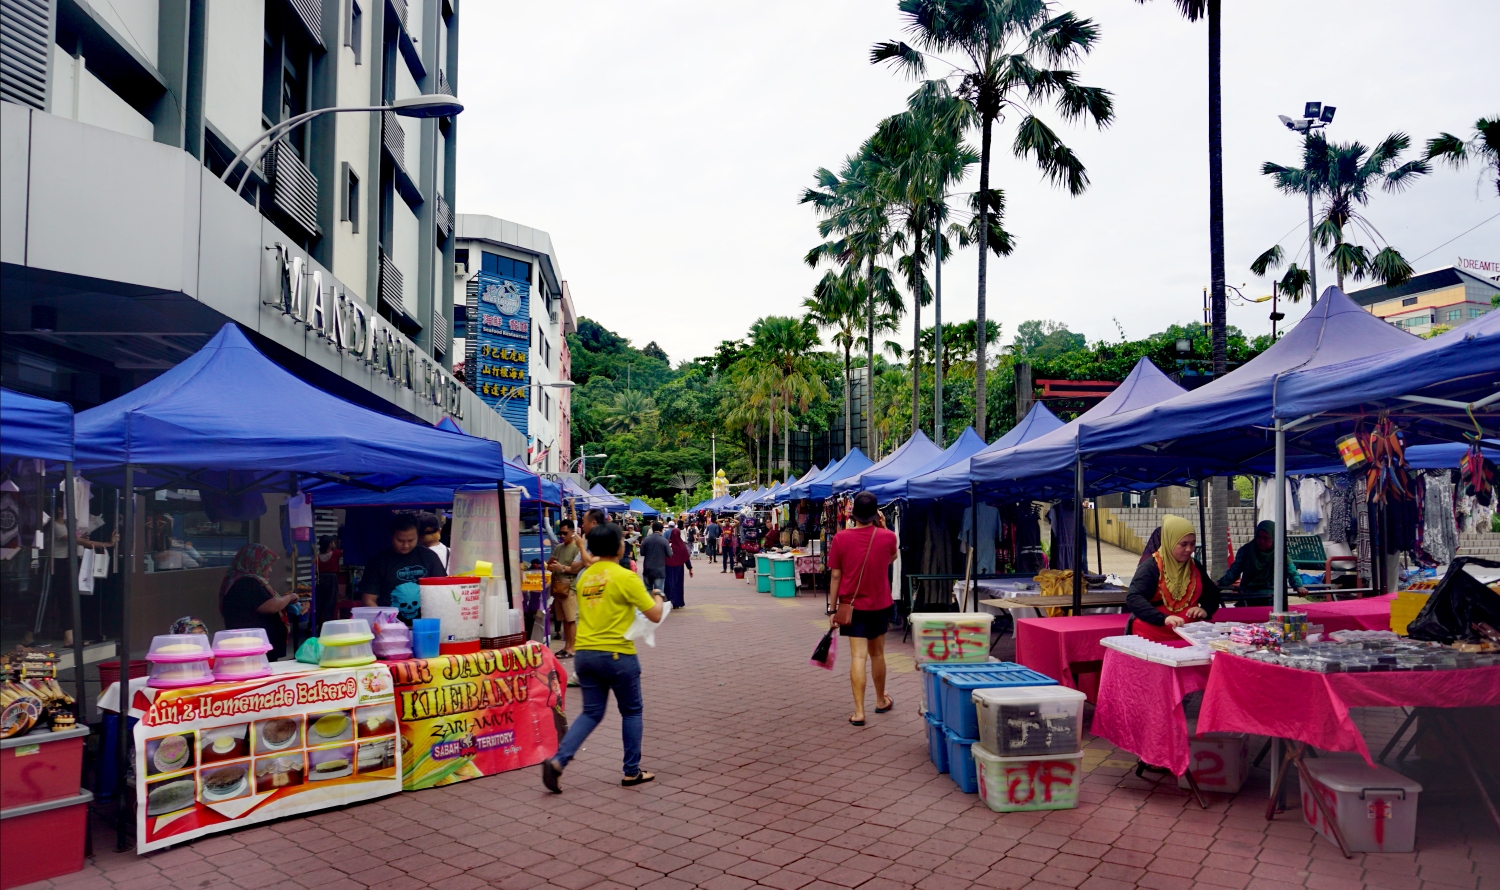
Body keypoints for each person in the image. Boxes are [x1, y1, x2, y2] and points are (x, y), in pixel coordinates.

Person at [541, 521, 664, 792]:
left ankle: (559, 762)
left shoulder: (585, 577)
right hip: (617, 654)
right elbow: (654, 615)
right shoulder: (624, 576)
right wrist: (657, 595)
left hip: (585, 655)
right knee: (631, 711)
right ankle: (632, 771)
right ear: (618, 546)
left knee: (591, 712)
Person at [826, 492, 899, 726]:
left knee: (858, 656)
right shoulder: (888, 537)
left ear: (852, 513)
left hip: (852, 605)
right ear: (876, 513)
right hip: (879, 604)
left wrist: (832, 609)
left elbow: (836, 576)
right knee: (877, 654)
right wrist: (885, 526)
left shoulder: (841, 538)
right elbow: (891, 559)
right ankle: (880, 700)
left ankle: (858, 712)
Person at [1126, 515, 1222, 643]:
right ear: (1169, 542)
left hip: (1190, 636)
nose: (1189, 549)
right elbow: (1134, 597)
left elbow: (1212, 594)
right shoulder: (1151, 567)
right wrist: (1163, 618)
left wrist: (1204, 609)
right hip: (1152, 638)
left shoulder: (1194, 566)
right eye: (1183, 544)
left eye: (1192, 544)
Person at [358, 513, 446, 623]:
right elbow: (369, 599)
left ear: (418, 536)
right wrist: (383, 624)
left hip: (424, 626)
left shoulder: (429, 557)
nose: (406, 545)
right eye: (400, 541)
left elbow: (442, 592)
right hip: (390, 627)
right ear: (391, 536)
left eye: (410, 540)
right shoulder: (378, 561)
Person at [220, 543, 297, 657]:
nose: (270, 570)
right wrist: (290, 597)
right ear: (256, 564)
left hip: (258, 645)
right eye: (267, 566)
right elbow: (270, 607)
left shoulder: (247, 580)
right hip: (253, 647)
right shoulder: (246, 582)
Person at [1218, 520, 1306, 605]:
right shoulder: (1246, 551)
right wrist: (1219, 583)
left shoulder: (1279, 554)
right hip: (1248, 595)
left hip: (1271, 597)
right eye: (1259, 537)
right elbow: (1234, 572)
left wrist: (1298, 586)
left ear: (1274, 538)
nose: (1261, 541)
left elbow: (1292, 572)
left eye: (1266, 538)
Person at [546, 519, 582, 659]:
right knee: (564, 620)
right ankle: (567, 646)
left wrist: (560, 567)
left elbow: (577, 568)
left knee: (571, 619)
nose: (562, 535)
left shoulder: (577, 549)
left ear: (572, 532)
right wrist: (550, 565)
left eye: (565, 533)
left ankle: (572, 647)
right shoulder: (559, 548)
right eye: (560, 533)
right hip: (558, 587)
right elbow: (550, 565)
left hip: (570, 588)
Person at [663, 525, 693, 609]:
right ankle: (677, 602)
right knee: (678, 584)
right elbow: (686, 558)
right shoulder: (682, 545)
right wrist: (690, 568)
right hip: (679, 568)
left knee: (668, 583)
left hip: (667, 566)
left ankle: (668, 600)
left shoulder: (668, 544)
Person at [315, 535, 342, 625]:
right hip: (331, 579)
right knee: (330, 603)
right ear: (330, 544)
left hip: (320, 579)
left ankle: (316, 625)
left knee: (319, 603)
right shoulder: (335, 554)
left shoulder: (317, 557)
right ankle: (327, 624)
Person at [639, 522, 669, 594]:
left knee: (648, 589)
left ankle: (649, 605)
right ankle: (657, 605)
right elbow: (669, 554)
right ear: (662, 530)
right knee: (658, 591)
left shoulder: (646, 540)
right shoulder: (664, 540)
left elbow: (642, 553)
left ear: (652, 529)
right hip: (659, 570)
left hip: (647, 569)